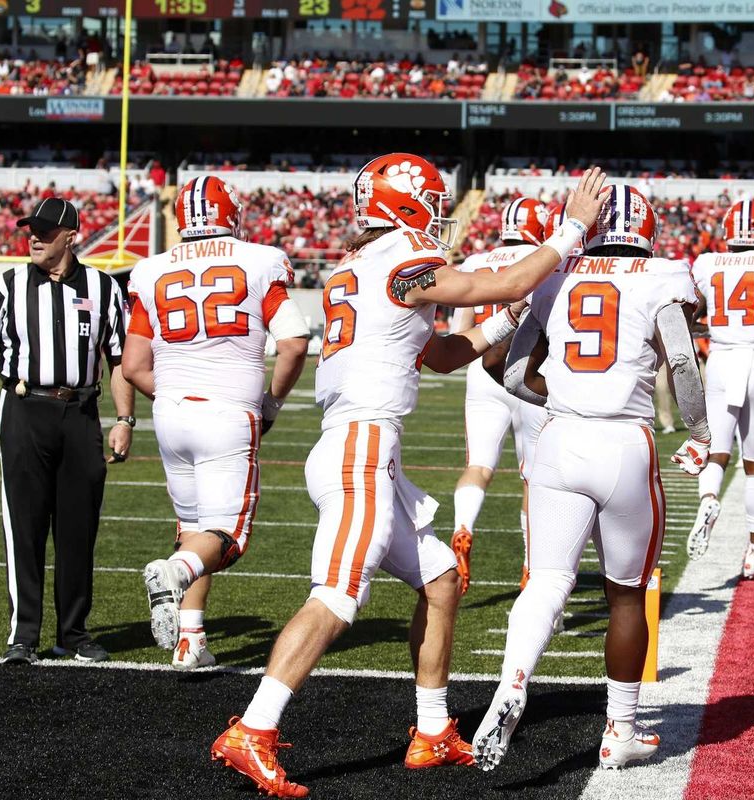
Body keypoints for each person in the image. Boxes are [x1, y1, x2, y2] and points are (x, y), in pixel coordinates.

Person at [210, 156, 609, 798]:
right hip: (359, 448)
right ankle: (252, 731)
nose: (441, 214)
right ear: (409, 203)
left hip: (364, 448)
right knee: (338, 597)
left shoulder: (362, 267)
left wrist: (507, 320)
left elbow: (446, 354)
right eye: (433, 200)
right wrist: (568, 232)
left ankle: (431, 731)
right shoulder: (402, 258)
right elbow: (499, 283)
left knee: (441, 579)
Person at [474, 184, 710, 771]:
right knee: (626, 592)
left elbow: (504, 369)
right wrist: (701, 431)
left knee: (546, 581)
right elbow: (681, 359)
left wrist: (560, 397)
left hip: (559, 436)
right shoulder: (665, 276)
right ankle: (621, 730)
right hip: (624, 441)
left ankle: (513, 684)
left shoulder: (556, 275)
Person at [121, 176, 310, 670]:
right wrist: (271, 404)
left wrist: (176, 398)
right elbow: (294, 340)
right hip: (228, 411)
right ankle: (173, 573)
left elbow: (133, 365)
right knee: (226, 538)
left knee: (194, 528)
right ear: (231, 213)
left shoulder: (150, 269)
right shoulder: (258, 259)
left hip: (170, 413)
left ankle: (191, 640)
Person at [0, 197, 133, 665]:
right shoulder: (6, 286)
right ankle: (23, 634)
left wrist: (125, 420)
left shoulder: (104, 287)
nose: (34, 237)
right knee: (24, 525)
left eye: (46, 231)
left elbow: (120, 360)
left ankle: (73, 632)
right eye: (31, 230)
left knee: (78, 526)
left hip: (81, 412)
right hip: (25, 408)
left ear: (71, 236)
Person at [684, 199, 754, 574]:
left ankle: (709, 497)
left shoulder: (706, 262)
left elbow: (693, 311)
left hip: (719, 359)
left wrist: (707, 327)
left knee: (717, 450)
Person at [449, 196, 550, 593]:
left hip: (481, 373)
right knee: (534, 478)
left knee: (478, 465)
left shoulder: (475, 262)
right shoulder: (549, 261)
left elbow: (461, 331)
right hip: (531, 371)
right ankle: (531, 568)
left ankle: (463, 526)